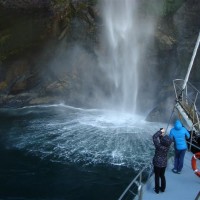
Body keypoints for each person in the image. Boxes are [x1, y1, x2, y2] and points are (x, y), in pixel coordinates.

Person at [152, 128, 172, 194]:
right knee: (162, 176)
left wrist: (160, 131)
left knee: (157, 176)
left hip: (157, 163)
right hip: (164, 163)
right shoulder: (167, 146)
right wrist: (161, 134)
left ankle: (157, 190)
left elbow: (154, 137)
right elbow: (163, 141)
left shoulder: (158, 146)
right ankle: (163, 189)